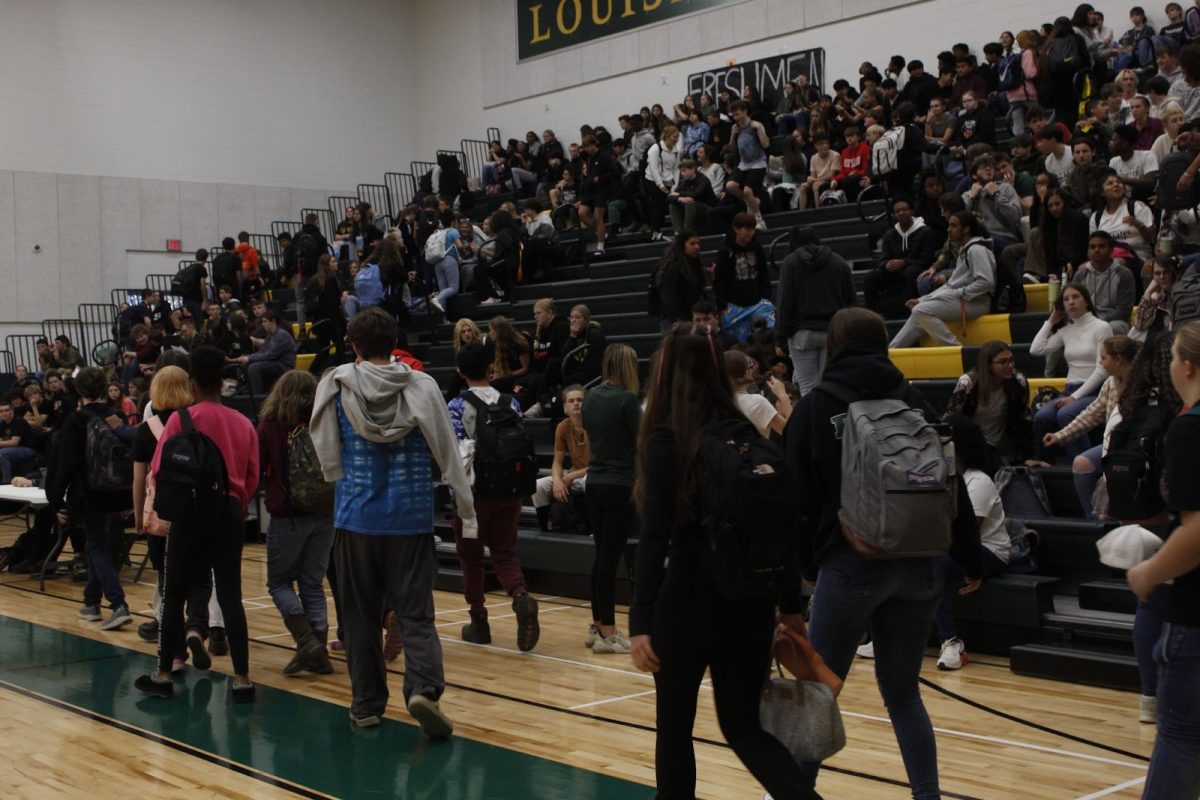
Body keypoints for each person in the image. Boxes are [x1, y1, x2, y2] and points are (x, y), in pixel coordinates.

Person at [784, 307, 982, 798]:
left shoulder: (814, 407)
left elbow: (795, 504)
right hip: (920, 565)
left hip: (850, 564)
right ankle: (927, 796)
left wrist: (805, 571)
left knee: (818, 694)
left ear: (834, 345)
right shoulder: (915, 401)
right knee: (904, 693)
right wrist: (968, 557)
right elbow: (950, 483)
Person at [629, 323, 817, 800]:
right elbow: (785, 528)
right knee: (745, 729)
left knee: (674, 727)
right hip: (751, 601)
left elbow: (653, 538)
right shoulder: (747, 436)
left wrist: (639, 620)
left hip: (688, 600)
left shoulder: (666, 440)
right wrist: (790, 608)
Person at [309, 308, 475, 733]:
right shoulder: (421, 386)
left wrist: (334, 470)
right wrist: (464, 503)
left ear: (355, 345)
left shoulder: (337, 382)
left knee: (359, 618)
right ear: (395, 342)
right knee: (416, 616)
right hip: (410, 521)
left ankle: (366, 704)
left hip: (355, 519)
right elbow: (447, 447)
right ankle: (423, 690)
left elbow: (322, 440)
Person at [136, 346, 259, 702]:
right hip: (229, 513)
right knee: (231, 597)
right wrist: (235, 502)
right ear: (223, 382)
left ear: (191, 382)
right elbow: (252, 476)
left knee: (174, 594)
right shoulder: (242, 422)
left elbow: (159, 470)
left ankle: (162, 674)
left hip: (189, 516)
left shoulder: (179, 420)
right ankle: (242, 679)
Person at [1126, 321, 1200, 798]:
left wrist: (1147, 572)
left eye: (1174, 357)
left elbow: (1198, 531)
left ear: (1188, 366)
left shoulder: (1190, 429)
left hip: (1196, 617)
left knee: (1180, 739)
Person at [446, 344, 540, 651]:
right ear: (491, 368)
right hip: (509, 491)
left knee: (471, 559)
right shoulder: (510, 402)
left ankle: (479, 622)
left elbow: (458, 456)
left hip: (474, 496)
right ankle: (521, 595)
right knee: (506, 553)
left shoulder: (457, 406)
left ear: (460, 372)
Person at [44, 367, 135, 631]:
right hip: (118, 492)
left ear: (79, 390)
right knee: (101, 545)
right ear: (105, 388)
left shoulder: (76, 420)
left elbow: (66, 462)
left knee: (96, 546)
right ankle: (91, 602)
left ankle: (118, 604)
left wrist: (55, 497)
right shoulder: (116, 416)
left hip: (89, 492)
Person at [258, 370, 335, 676]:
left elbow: (259, 466)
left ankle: (306, 641)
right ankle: (317, 647)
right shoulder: (324, 419)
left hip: (288, 513)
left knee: (278, 581)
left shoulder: (271, 426)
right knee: (312, 582)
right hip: (326, 510)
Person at [581, 345, 641, 655]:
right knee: (609, 560)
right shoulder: (628, 400)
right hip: (619, 485)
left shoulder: (591, 397)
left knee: (600, 556)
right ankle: (608, 631)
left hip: (594, 483)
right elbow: (641, 441)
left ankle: (596, 624)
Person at [1043, 335, 1139, 517]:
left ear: (1118, 360)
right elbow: (1091, 414)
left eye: (1103, 358)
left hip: (1135, 447)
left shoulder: (1143, 383)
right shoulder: (1110, 383)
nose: (1101, 363)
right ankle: (1094, 519)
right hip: (1113, 445)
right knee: (1081, 463)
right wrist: (1060, 435)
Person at [1030, 283, 1114, 462]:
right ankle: (1043, 462)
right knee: (1042, 416)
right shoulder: (1065, 331)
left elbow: (1102, 370)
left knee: (1065, 413)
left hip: (1096, 390)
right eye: (1066, 299)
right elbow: (1036, 350)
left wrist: (1074, 397)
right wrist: (1051, 320)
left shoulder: (1101, 327)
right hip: (1070, 389)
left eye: (1076, 297)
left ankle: (1082, 463)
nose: (1071, 302)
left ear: (1086, 301)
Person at [889, 212, 997, 348]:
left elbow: (986, 282)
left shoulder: (976, 250)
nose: (948, 229)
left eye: (953, 226)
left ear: (966, 229)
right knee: (918, 312)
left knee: (920, 310)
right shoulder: (966, 249)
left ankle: (956, 349)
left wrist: (960, 292)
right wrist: (922, 300)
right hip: (963, 299)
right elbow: (951, 285)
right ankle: (891, 353)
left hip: (977, 302)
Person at [774, 226, 856, 395]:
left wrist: (780, 337)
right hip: (834, 332)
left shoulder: (790, 262)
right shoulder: (838, 261)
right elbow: (851, 302)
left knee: (807, 388)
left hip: (801, 334)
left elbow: (785, 302)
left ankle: (813, 421)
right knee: (833, 384)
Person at [943, 340, 1034, 471]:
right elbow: (951, 418)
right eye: (1003, 362)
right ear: (988, 364)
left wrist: (1028, 456)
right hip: (968, 445)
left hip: (997, 446)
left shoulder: (1018, 381)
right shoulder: (967, 382)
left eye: (1011, 360)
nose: (1010, 366)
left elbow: (1023, 419)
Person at [866, 197, 940, 319]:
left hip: (916, 271)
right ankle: (874, 313)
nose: (901, 213)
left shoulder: (925, 232)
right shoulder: (889, 234)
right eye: (897, 211)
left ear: (912, 211)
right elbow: (882, 260)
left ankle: (913, 310)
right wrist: (887, 264)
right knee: (871, 276)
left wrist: (904, 262)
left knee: (911, 271)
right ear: (894, 215)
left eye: (905, 209)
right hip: (895, 273)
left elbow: (926, 260)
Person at [532, 384, 589, 531]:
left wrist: (571, 476)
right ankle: (545, 528)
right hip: (575, 474)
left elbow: (600, 463)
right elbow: (557, 461)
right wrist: (557, 480)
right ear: (565, 406)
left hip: (593, 473)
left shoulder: (595, 424)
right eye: (571, 401)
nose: (576, 403)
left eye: (580, 399)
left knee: (591, 482)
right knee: (538, 487)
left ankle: (592, 528)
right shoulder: (562, 427)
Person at [712, 213, 770, 342]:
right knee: (738, 343)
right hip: (734, 304)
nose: (751, 233)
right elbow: (719, 281)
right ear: (737, 229)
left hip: (756, 300)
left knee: (766, 336)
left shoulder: (757, 248)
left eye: (753, 229)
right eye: (748, 229)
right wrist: (722, 306)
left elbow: (764, 274)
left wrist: (765, 297)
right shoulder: (726, 252)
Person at [1074, 231, 1137, 334]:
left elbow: (1124, 311)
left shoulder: (1124, 275)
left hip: (1114, 321)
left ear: (1111, 250)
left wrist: (1097, 323)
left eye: (1101, 246)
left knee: (1115, 327)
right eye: (1092, 247)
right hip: (1086, 320)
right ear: (1088, 251)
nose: (1096, 250)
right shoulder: (1080, 275)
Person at [726, 100, 771, 230]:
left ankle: (759, 220)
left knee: (748, 191)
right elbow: (731, 148)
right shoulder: (735, 128)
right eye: (733, 115)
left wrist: (759, 130)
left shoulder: (755, 125)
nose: (736, 118)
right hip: (744, 164)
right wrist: (733, 134)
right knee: (730, 186)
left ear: (745, 111)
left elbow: (766, 145)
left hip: (758, 163)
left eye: (738, 114)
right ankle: (750, 201)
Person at [725, 350, 791, 437]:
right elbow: (792, 433)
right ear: (741, 376)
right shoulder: (756, 403)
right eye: (749, 365)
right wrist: (783, 395)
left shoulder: (719, 403)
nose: (752, 368)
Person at [653, 230, 707, 333]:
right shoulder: (674, 268)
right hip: (674, 319)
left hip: (689, 317)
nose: (697, 247)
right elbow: (669, 297)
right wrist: (678, 320)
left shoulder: (694, 265)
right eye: (692, 243)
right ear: (683, 245)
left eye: (698, 243)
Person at [232, 310, 296, 397]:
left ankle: (257, 396)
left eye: (265, 321)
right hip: (274, 361)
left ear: (273, 321)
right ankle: (242, 392)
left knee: (254, 367)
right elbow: (263, 351)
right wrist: (249, 357)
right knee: (243, 366)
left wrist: (250, 358)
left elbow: (272, 355)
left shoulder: (281, 335)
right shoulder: (270, 334)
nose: (263, 324)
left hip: (284, 364)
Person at [578, 134, 616, 255]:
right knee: (582, 213)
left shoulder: (604, 156)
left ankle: (600, 246)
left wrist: (599, 178)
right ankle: (601, 232)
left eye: (588, 146)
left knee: (597, 216)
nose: (586, 149)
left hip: (601, 190)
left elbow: (613, 172)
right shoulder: (589, 159)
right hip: (590, 190)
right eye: (585, 147)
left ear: (594, 144)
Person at [1133, 256, 1181, 341]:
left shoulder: (1183, 295)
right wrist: (1147, 293)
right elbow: (1139, 326)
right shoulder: (1155, 297)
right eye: (1157, 273)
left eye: (1166, 272)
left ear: (1174, 273)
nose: (1162, 277)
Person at [561, 304, 606, 388]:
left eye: (577, 318)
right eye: (571, 317)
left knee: (569, 382)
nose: (573, 321)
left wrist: (574, 374)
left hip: (591, 372)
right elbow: (564, 356)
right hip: (577, 371)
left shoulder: (595, 334)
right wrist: (572, 336)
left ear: (586, 320)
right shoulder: (573, 334)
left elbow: (594, 362)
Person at [0, 399, 37, 485]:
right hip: (13, 449)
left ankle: (6, 482)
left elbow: (14, 442)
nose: (4, 413)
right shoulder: (3, 424)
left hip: (28, 449)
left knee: (2, 454)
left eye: (6, 410)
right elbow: (2, 440)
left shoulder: (18, 421)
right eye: (1, 411)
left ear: (12, 410)